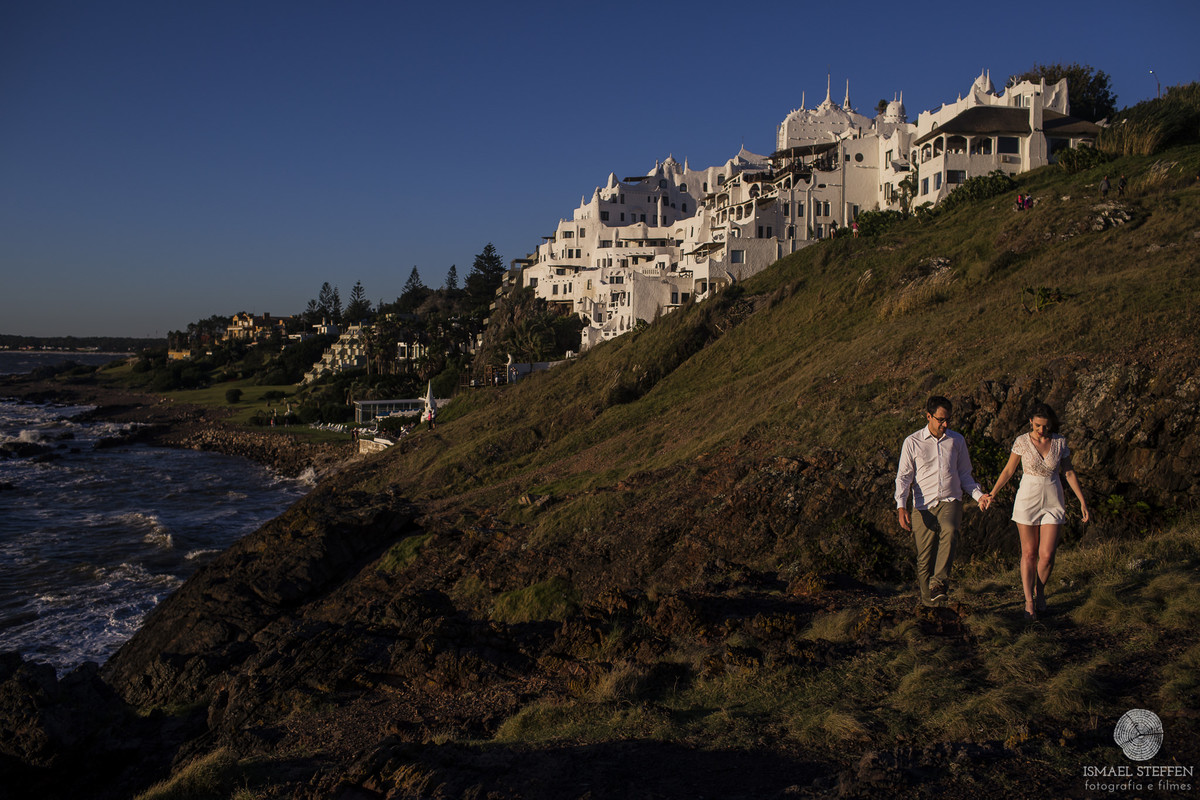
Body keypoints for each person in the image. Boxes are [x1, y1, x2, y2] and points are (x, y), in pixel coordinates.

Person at [987, 402, 1089, 621]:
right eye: (1038, 426)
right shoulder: (1022, 442)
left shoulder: (1060, 442)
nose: (1042, 430)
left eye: (1046, 426)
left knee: (1047, 555)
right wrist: (993, 493)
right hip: (1027, 500)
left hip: (1053, 499)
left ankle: (1040, 591)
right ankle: (1029, 601)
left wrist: (1082, 501)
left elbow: (1069, 473)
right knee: (1029, 553)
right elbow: (1008, 470)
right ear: (1030, 422)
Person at [895, 396, 989, 607]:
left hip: (950, 499)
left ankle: (939, 584)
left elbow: (965, 474)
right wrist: (901, 506)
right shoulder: (912, 442)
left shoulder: (957, 440)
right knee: (924, 558)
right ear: (928, 416)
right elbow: (904, 477)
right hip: (922, 505)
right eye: (940, 420)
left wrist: (978, 495)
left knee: (949, 529)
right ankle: (931, 605)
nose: (945, 424)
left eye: (948, 420)